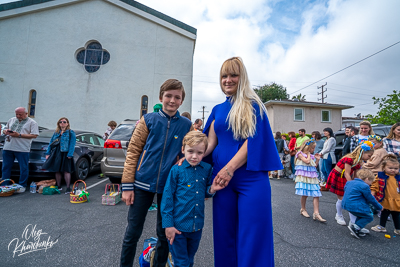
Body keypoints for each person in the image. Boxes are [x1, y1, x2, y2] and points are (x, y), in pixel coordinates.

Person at [202, 57, 282, 267]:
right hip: (221, 178)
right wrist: (188, 157)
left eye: (233, 75)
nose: (228, 80)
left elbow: (253, 141)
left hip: (250, 178)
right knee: (223, 234)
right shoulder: (217, 109)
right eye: (224, 76)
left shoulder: (254, 105)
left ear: (242, 77)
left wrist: (229, 169)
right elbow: (210, 144)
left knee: (253, 235)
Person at [119, 79, 192, 267]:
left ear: (182, 100)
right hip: (142, 183)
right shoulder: (148, 120)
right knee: (132, 232)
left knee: (164, 234)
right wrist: (127, 186)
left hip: (168, 187)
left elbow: (192, 150)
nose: (172, 100)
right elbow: (133, 151)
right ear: (161, 97)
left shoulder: (186, 125)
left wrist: (184, 159)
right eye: (168, 96)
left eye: (177, 97)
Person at [161, 131, 224, 267]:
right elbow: (167, 198)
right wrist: (168, 225)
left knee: (190, 260)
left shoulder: (207, 169)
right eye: (190, 151)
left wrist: (212, 189)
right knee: (182, 262)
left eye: (199, 153)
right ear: (183, 149)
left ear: (204, 152)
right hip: (177, 228)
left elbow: (205, 193)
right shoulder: (176, 170)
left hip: (197, 227)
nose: (194, 156)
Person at [325, 141, 374, 226]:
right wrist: (351, 185)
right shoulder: (349, 159)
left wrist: (356, 183)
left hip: (346, 178)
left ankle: (353, 221)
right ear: (362, 152)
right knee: (341, 197)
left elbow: (355, 174)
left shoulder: (359, 162)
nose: (369, 158)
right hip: (339, 177)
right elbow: (346, 173)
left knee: (350, 199)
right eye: (369, 156)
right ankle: (339, 215)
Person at [1, 107, 39, 192]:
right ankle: (4, 185)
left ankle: (22, 185)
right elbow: (4, 129)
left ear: (26, 114)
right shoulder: (11, 120)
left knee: (23, 167)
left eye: (20, 114)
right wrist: (5, 131)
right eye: (16, 114)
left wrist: (19, 135)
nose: (18, 116)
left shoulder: (32, 122)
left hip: (22, 149)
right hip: (8, 147)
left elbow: (34, 135)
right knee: (6, 167)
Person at [342, 169, 383, 239]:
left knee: (361, 215)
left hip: (346, 204)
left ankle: (358, 227)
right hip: (355, 205)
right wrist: (379, 207)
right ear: (367, 179)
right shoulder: (365, 186)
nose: (370, 184)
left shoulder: (350, 182)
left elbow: (346, 190)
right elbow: (370, 198)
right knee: (368, 216)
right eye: (371, 182)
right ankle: (356, 227)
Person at [295, 139, 326, 222]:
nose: (313, 150)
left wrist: (317, 159)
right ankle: (303, 209)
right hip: (304, 177)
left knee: (316, 194)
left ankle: (316, 213)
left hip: (312, 177)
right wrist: (308, 154)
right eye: (312, 148)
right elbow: (307, 161)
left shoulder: (311, 155)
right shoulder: (300, 154)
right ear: (308, 148)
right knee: (304, 194)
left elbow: (313, 166)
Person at [43, 117, 76, 194]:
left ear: (67, 123)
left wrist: (70, 154)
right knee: (57, 170)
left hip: (65, 152)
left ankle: (68, 188)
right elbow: (51, 143)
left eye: (64, 122)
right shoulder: (56, 132)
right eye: (60, 122)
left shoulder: (71, 132)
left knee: (66, 170)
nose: (62, 123)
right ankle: (59, 186)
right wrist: (48, 153)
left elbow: (72, 144)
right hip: (56, 153)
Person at [370, 155, 400, 235]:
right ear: (383, 168)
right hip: (385, 199)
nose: (393, 170)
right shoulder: (380, 176)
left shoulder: (398, 177)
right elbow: (375, 185)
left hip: (397, 200)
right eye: (390, 168)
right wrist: (373, 192)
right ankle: (382, 226)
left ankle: (398, 229)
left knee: (396, 214)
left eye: (396, 169)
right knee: (384, 213)